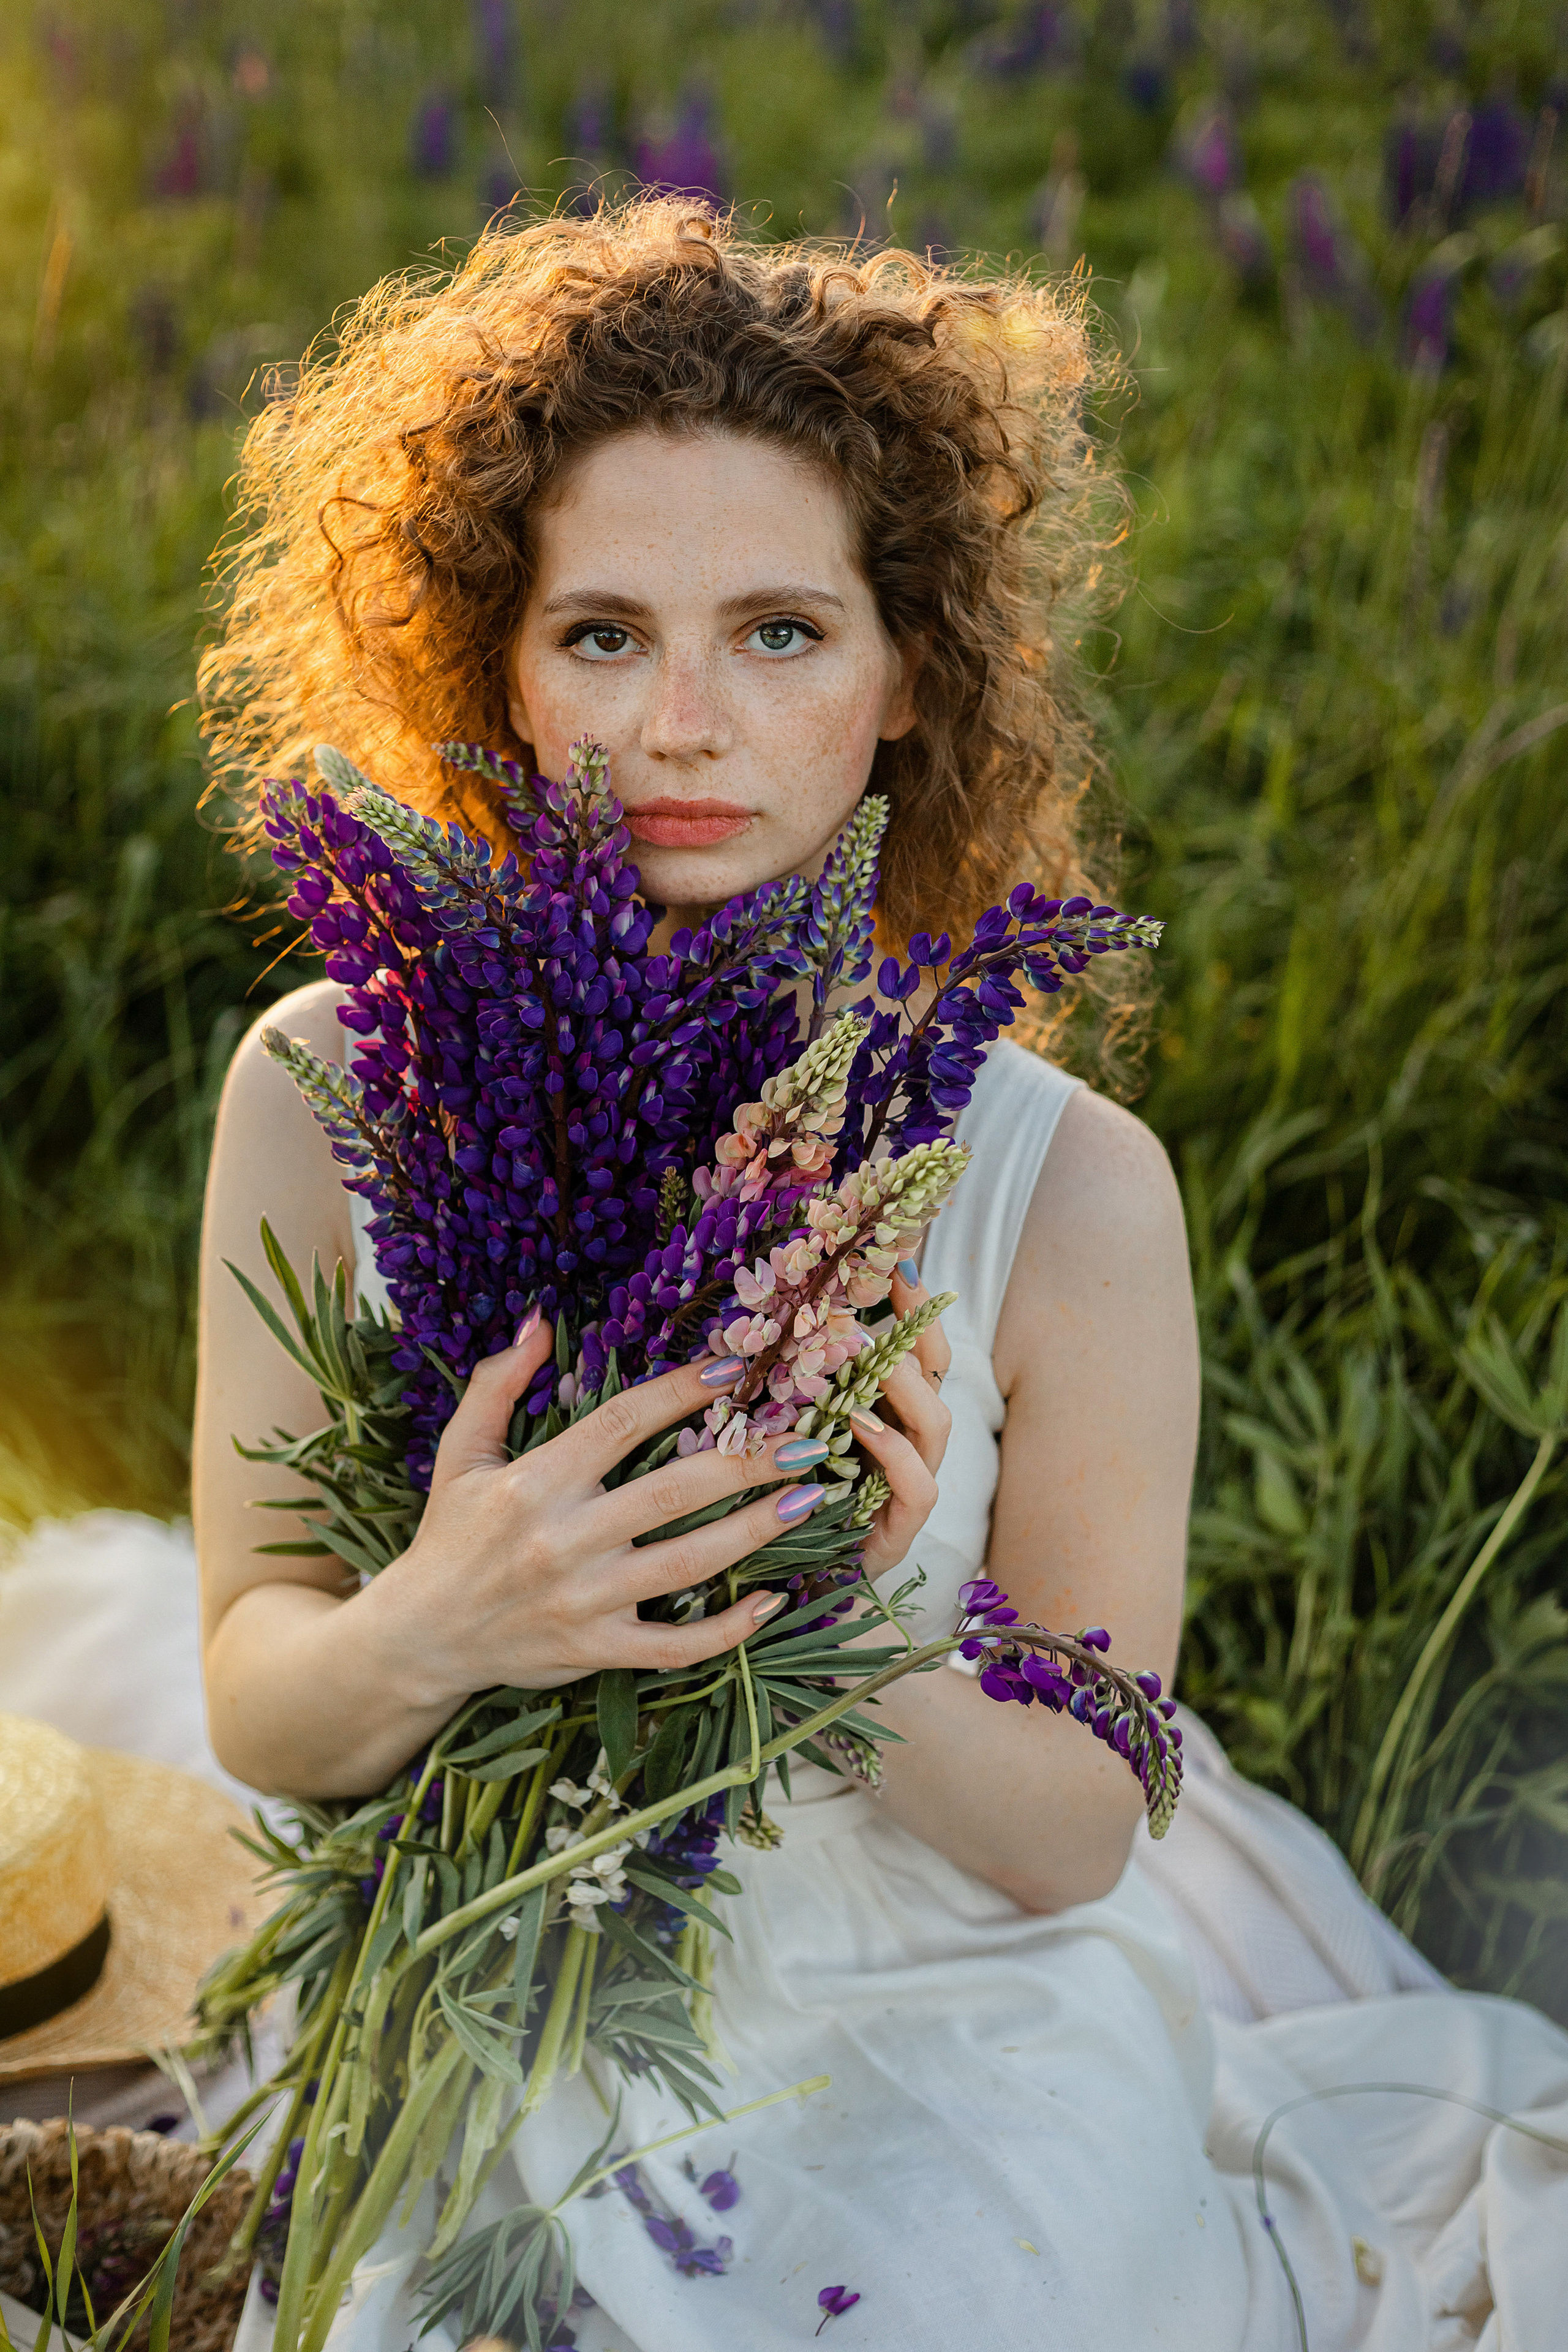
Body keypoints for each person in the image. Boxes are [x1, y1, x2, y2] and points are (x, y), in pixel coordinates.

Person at [184, 204, 1565, 2351]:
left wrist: (822, 1619)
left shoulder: (1066, 1189)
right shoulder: (324, 1084)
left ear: (909, 671)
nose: (685, 726)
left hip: (935, 2025)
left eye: (781, 633)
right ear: (496, 666)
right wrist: (451, 1615)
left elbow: (1078, 1828)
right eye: (604, 635)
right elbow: (262, 1698)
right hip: (478, 1997)